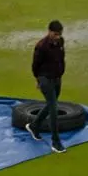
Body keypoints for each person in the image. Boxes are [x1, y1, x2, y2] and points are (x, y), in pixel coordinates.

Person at [28, 20, 67, 153]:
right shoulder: (41, 46)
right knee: (53, 109)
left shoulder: (61, 42)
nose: (57, 37)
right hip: (45, 79)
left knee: (52, 104)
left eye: (59, 34)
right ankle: (56, 142)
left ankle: (34, 126)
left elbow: (61, 58)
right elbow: (35, 65)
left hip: (57, 78)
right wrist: (38, 79)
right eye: (55, 34)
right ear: (49, 31)